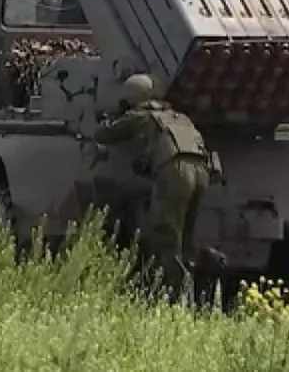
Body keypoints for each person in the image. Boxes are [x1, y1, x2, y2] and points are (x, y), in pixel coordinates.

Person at [93, 72, 220, 305]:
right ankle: (201, 286)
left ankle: (176, 299)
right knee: (186, 238)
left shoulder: (141, 116)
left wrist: (104, 118)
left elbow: (104, 134)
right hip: (202, 171)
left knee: (166, 236)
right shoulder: (179, 117)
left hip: (175, 171)